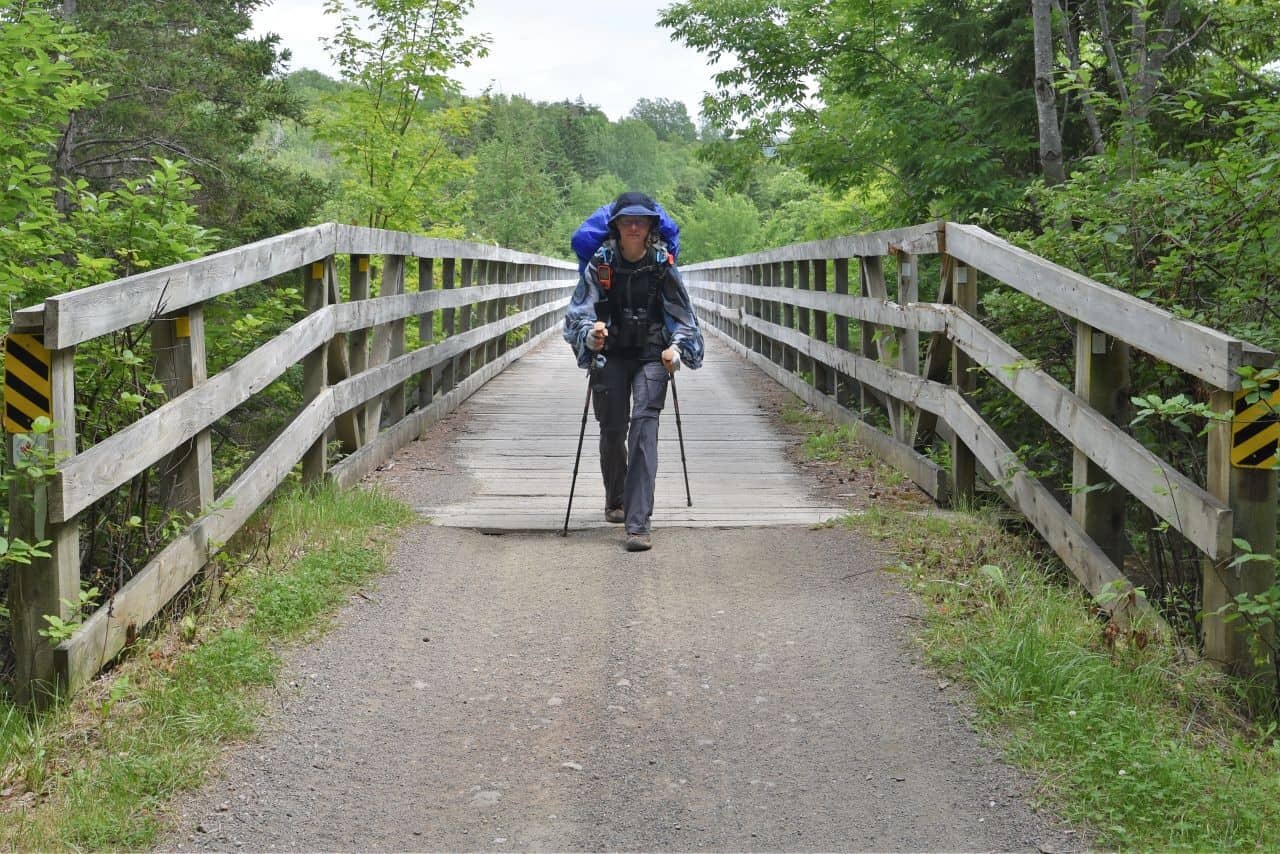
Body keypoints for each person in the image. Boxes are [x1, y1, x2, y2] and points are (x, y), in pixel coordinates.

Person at [563, 192, 704, 552]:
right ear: (616, 226)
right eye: (628, 220)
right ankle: (616, 498)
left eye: (642, 221)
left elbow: (687, 319)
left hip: (652, 353)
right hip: (609, 353)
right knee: (612, 428)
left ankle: (638, 523)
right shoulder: (602, 262)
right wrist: (589, 337)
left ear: (651, 226)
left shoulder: (662, 264)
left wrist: (677, 349)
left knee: (644, 424)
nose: (635, 226)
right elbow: (576, 314)